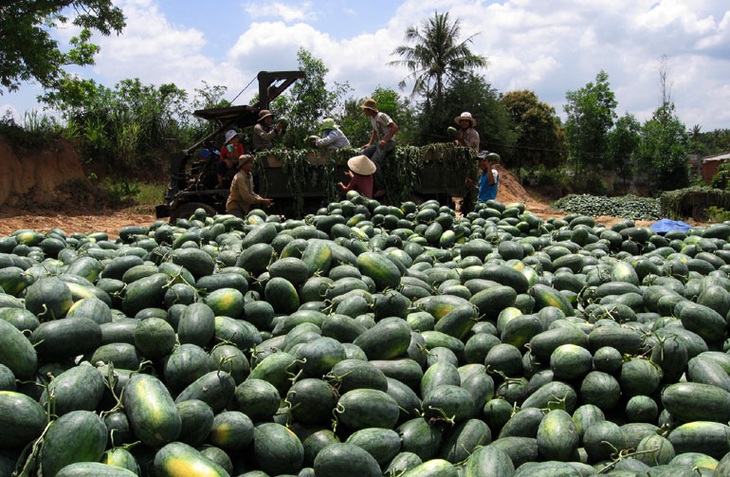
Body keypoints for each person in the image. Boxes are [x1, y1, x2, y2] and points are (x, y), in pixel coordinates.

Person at [360, 98, 398, 198]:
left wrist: (385, 140)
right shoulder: (372, 119)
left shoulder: (382, 116)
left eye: (365, 109)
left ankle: (381, 187)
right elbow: (375, 132)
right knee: (363, 154)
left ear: (370, 110)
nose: (364, 112)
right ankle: (367, 181)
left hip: (389, 142)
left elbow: (395, 127)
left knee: (375, 161)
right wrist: (369, 143)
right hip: (380, 143)